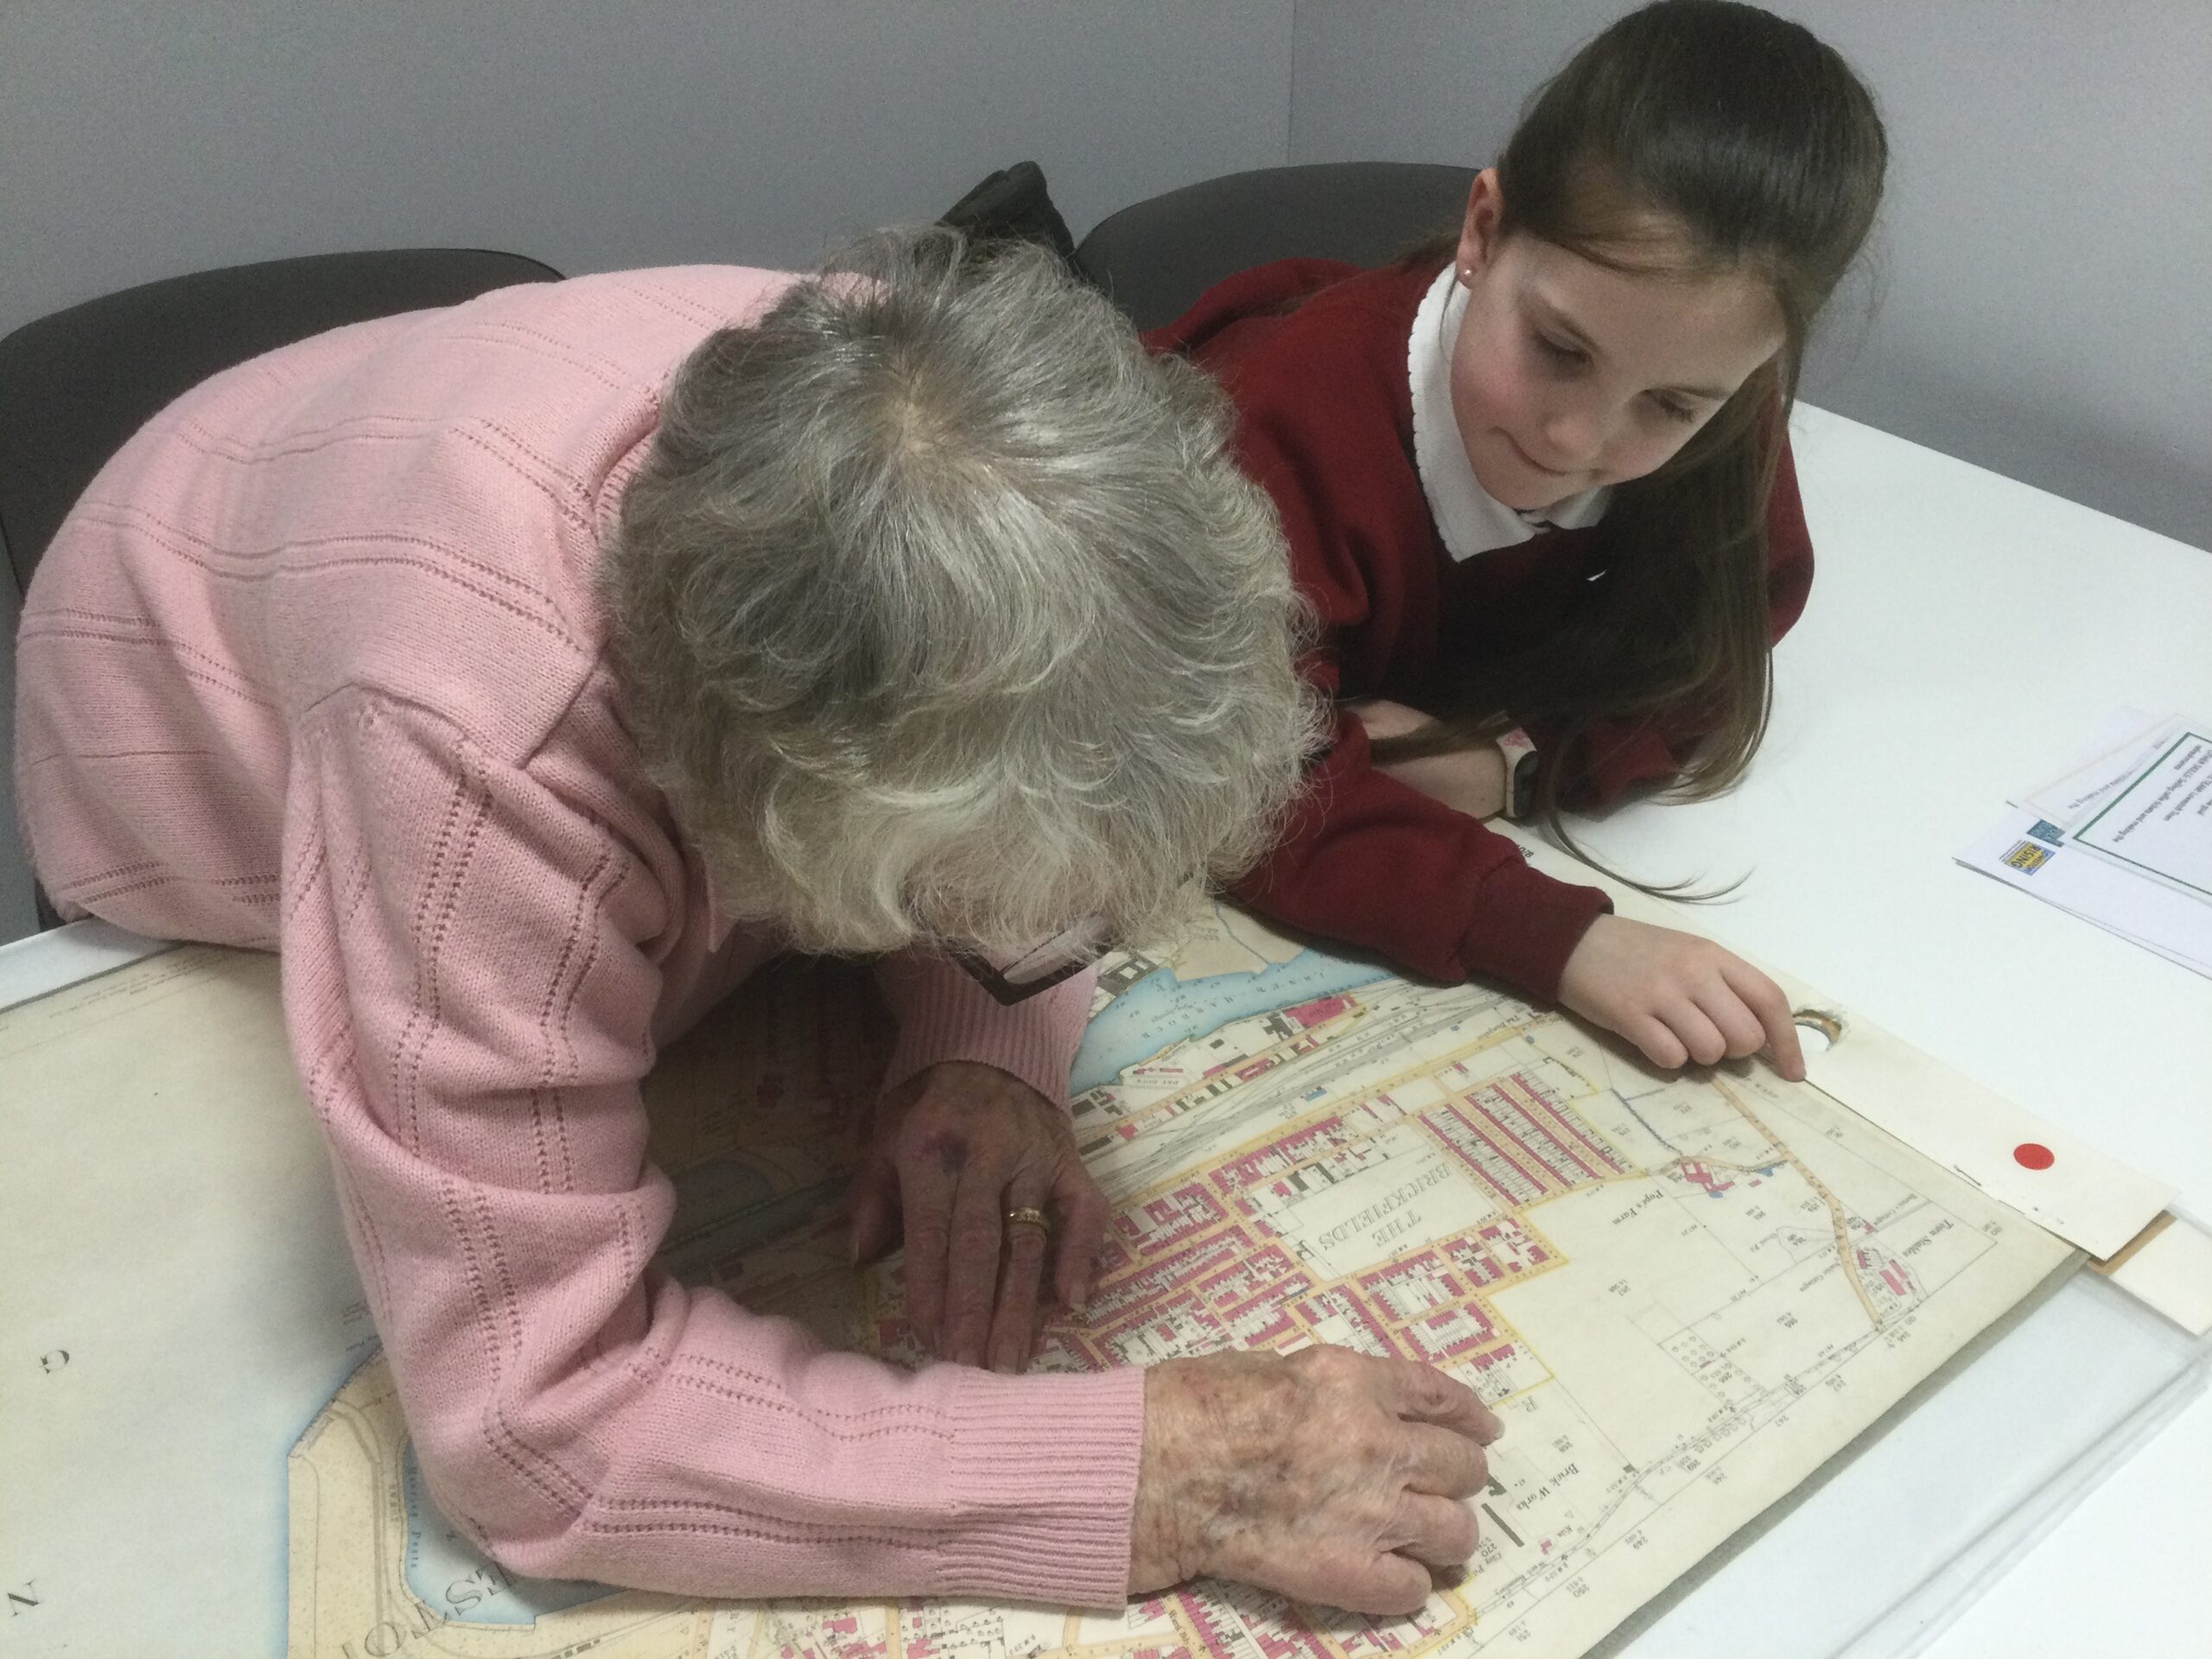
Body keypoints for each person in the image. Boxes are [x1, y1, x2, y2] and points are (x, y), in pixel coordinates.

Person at [12, 230, 1501, 1614]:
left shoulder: (918, 386)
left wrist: (986, 1029)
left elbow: (994, 748)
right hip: (174, 789)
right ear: (777, 830)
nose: (1044, 939)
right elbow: (537, 1432)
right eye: (961, 904)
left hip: (375, 513)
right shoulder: (476, 750)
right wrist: (1164, 1479)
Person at [1148, 0, 1888, 1082]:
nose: (1578, 438)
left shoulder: (1712, 406)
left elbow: (1709, 658)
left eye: (1674, 406)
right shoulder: (1266, 433)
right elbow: (1225, 784)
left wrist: (1505, 764)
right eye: (1557, 349)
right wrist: (1565, 938)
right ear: (1483, 233)